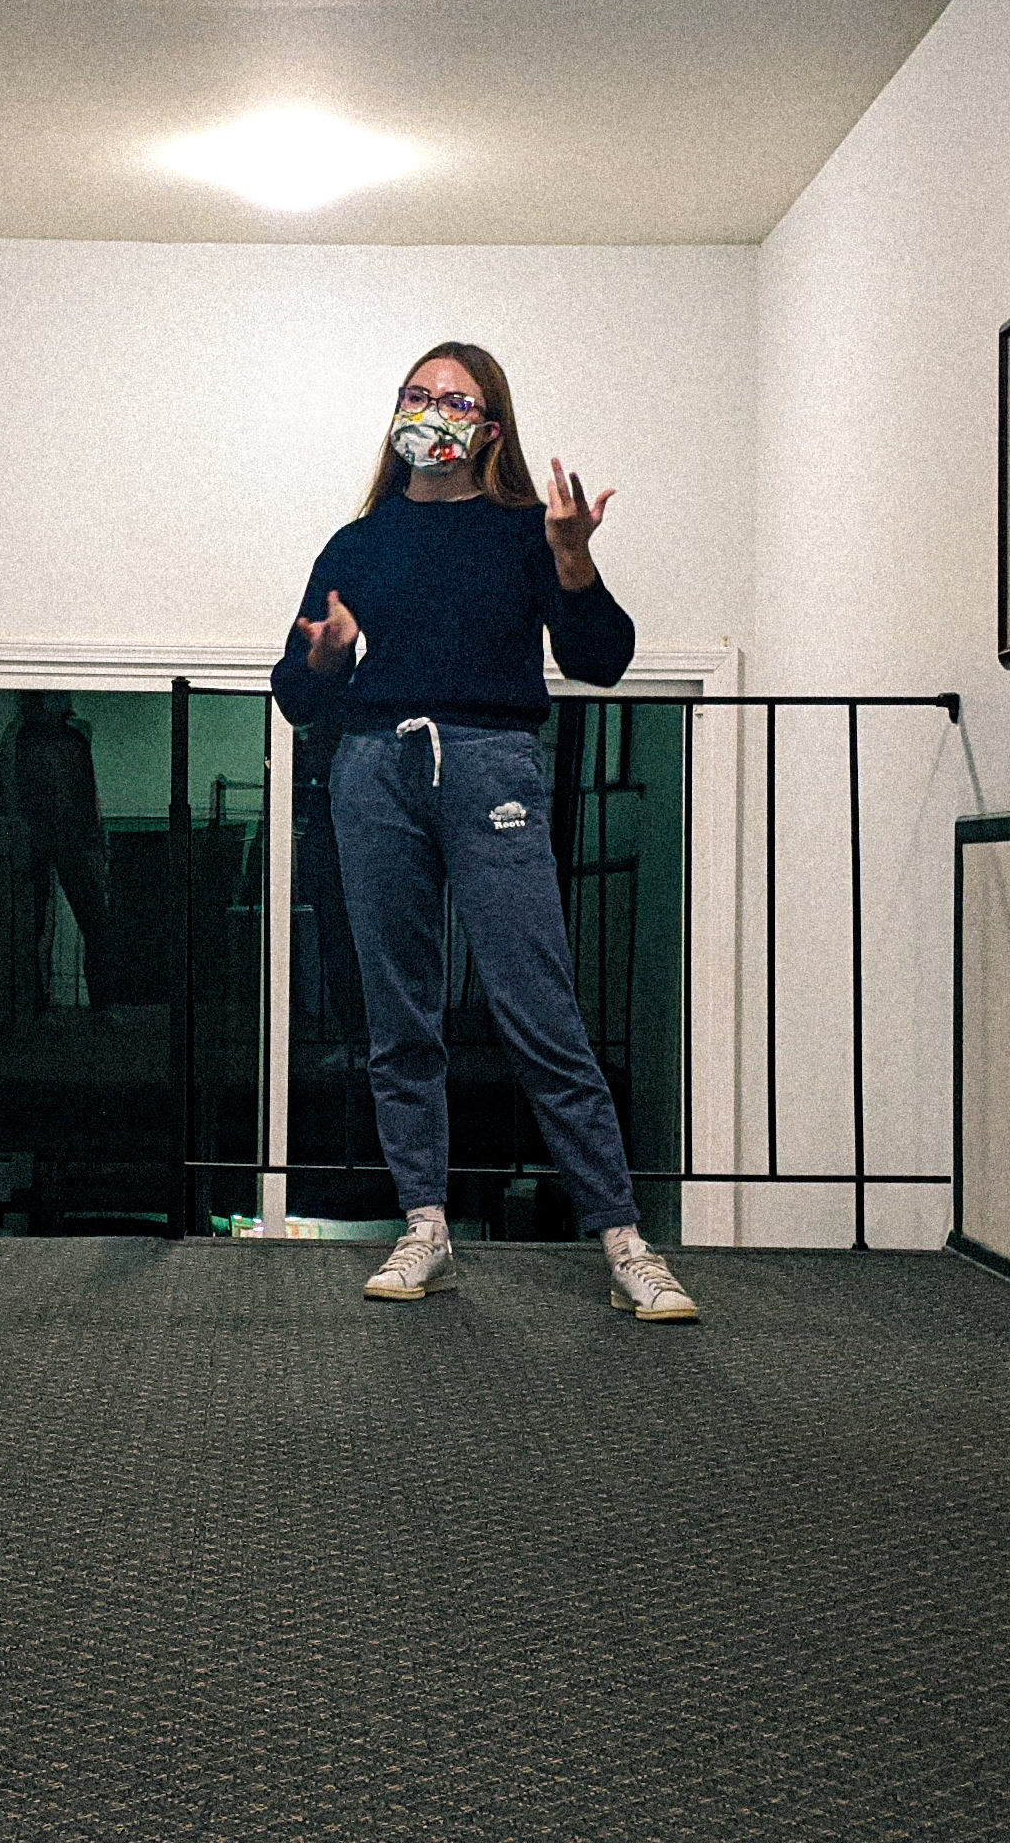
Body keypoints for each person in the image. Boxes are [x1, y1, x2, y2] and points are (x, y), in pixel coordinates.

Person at [268, 344, 699, 1322]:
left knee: (537, 1003)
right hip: (374, 769)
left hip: (492, 763)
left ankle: (625, 1240)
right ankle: (424, 1226)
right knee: (398, 1012)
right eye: (415, 395)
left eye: (452, 400)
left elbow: (600, 662)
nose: (430, 411)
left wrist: (575, 558)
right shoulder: (356, 544)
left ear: (489, 430)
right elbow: (294, 693)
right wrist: (331, 659)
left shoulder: (522, 535)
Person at [7, 692, 114, 1017]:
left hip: (56, 839)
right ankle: (92, 1007)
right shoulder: (57, 740)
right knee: (76, 923)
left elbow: (84, 793)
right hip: (59, 839)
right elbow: (85, 794)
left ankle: (76, 1005)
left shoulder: (34, 739)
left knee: (51, 924)